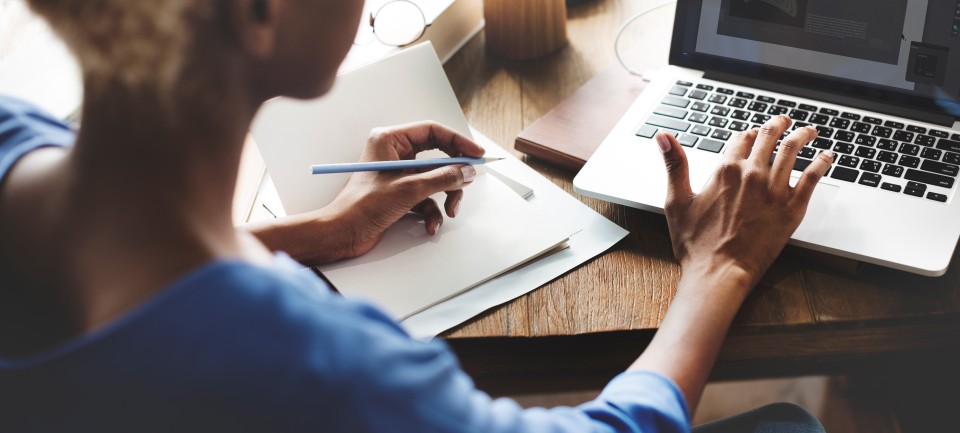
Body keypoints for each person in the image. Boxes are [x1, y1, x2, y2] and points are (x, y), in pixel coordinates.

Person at [0, 0, 832, 431]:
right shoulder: (321, 372)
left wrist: (314, 233)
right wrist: (718, 267)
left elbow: (124, 278)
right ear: (259, 13)